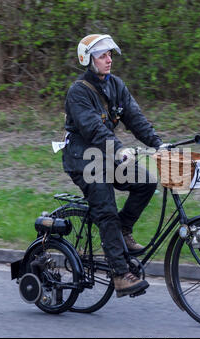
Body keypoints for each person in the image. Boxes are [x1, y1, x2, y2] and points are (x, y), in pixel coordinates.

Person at [62, 34, 166, 298]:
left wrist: (158, 144)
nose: (109, 60)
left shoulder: (116, 85)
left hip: (107, 157)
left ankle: (123, 230)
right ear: (87, 60)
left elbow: (135, 117)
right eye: (102, 56)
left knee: (146, 182)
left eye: (110, 55)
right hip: (83, 159)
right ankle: (120, 275)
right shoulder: (78, 92)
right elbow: (94, 129)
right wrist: (119, 149)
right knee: (106, 209)